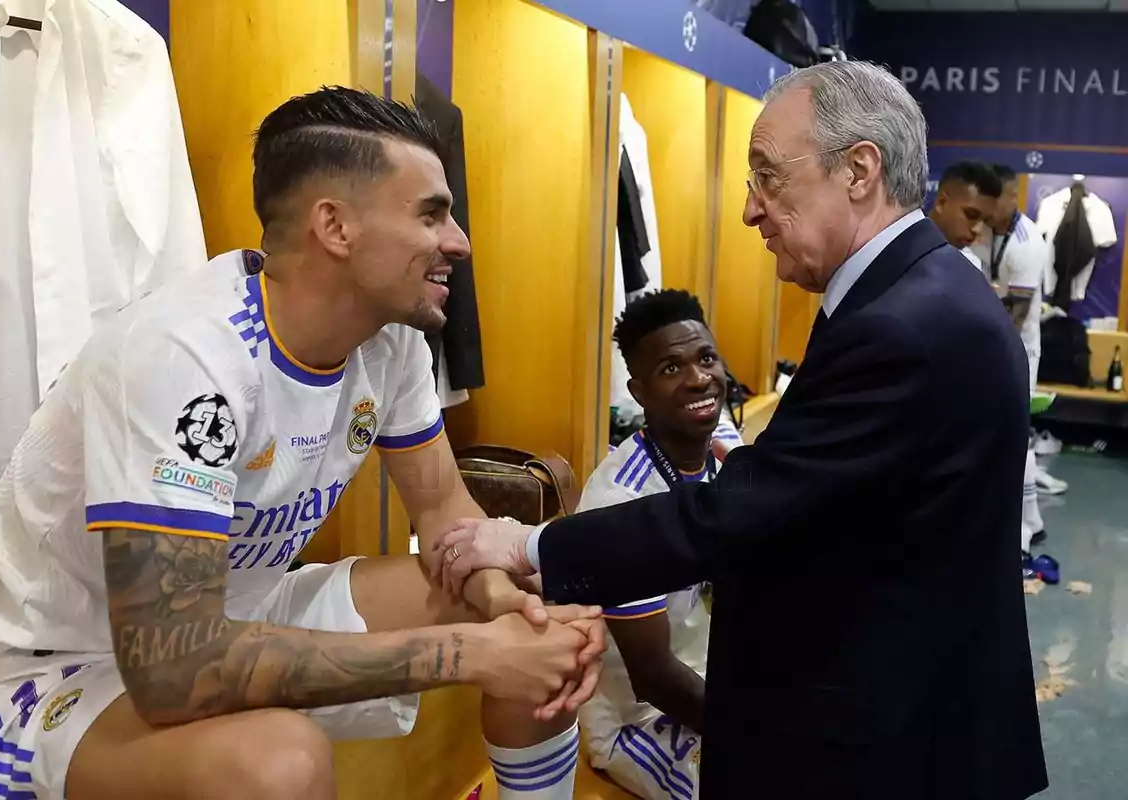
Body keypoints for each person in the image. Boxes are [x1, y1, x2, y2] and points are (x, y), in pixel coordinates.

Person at [0, 87, 606, 800]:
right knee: (280, 762)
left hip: (235, 615)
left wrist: (509, 611)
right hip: (56, 674)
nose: (459, 240)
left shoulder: (392, 343)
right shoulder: (185, 357)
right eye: (431, 214)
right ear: (335, 226)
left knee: (527, 625)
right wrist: (471, 654)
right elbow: (172, 669)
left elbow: (446, 517)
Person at [432, 61, 1047, 799]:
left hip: (877, 743)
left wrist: (529, 543)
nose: (751, 210)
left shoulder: (901, 326)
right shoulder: (932, 295)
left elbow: (747, 513)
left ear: (858, 170)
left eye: (768, 175)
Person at [575, 289, 744, 800]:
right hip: (641, 719)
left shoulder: (721, 460)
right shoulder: (620, 501)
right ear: (639, 390)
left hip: (719, 684)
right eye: (671, 368)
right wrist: (759, 731)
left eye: (706, 358)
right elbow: (653, 678)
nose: (698, 378)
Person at [981, 164, 1068, 498]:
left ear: (1012, 195)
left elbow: (1015, 315)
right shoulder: (983, 228)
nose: (988, 206)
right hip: (985, 340)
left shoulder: (1027, 241)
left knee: (1013, 426)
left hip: (1016, 348)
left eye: (995, 198)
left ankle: (1027, 509)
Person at [927, 160, 1002, 269]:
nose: (978, 230)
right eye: (971, 215)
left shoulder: (972, 267)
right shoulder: (900, 250)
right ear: (941, 203)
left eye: (985, 220)